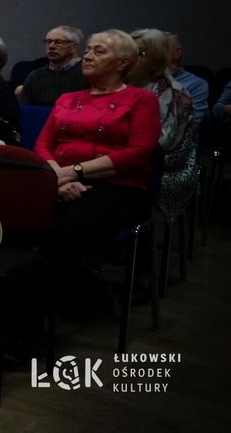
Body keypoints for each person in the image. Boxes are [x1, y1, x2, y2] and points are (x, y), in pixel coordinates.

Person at [33, 30, 160, 301]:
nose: (88, 56)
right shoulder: (67, 99)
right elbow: (43, 146)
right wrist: (60, 176)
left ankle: (44, 305)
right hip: (61, 180)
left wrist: (74, 172)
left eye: (99, 51)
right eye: (88, 49)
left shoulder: (142, 100)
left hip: (118, 188)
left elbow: (138, 153)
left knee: (67, 225)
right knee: (15, 214)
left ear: (123, 62)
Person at [130, 29, 198, 227]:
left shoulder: (176, 94)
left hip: (164, 165)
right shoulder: (115, 86)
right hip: (119, 158)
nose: (131, 58)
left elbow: (163, 144)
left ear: (156, 59)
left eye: (140, 53)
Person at [18, 26, 89, 106]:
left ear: (73, 48)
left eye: (58, 42)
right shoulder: (35, 76)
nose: (51, 46)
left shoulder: (86, 74)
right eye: (48, 41)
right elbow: (23, 109)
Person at [166, 32, 209, 124]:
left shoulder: (197, 85)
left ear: (177, 53)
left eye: (158, 49)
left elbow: (190, 125)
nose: (152, 54)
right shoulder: (139, 79)